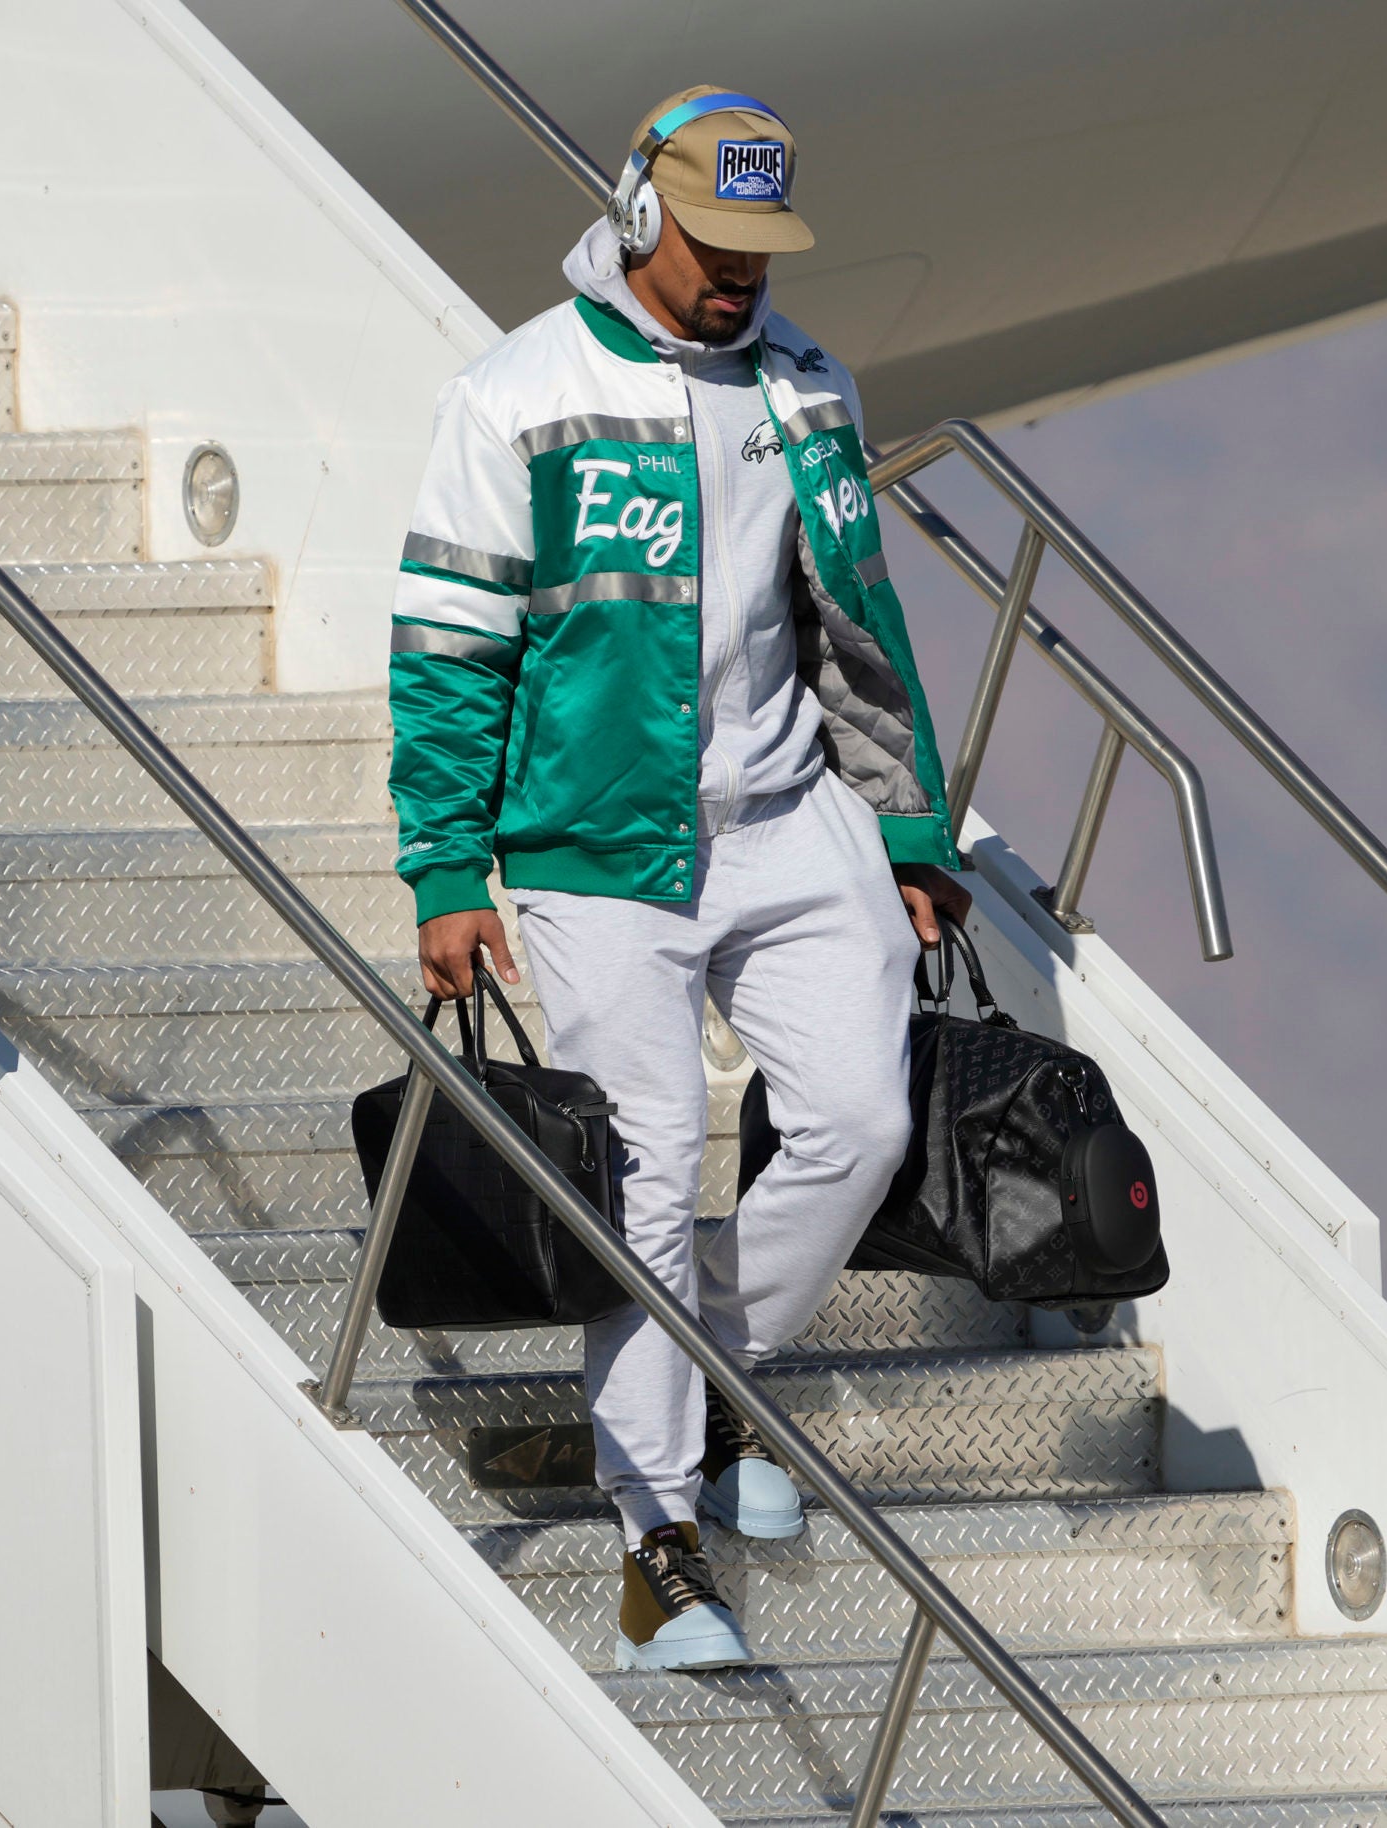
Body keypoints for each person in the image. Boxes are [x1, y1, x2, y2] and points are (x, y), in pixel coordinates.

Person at [386, 86, 969, 1672]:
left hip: (791, 822)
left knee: (860, 1118)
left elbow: (857, 622)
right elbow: (446, 646)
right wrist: (448, 864)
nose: (741, 277)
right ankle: (657, 1543)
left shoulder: (807, 386)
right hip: (599, 847)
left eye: (763, 252)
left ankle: (709, 1384)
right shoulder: (518, 394)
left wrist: (908, 831)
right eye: (715, 246)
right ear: (643, 219)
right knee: (640, 1177)